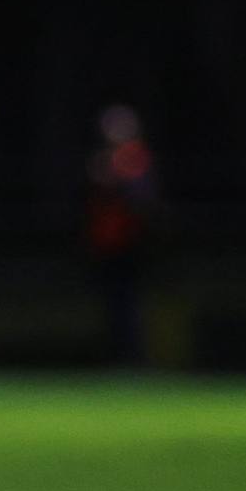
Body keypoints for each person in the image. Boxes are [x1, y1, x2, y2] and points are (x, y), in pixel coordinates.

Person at [83, 104, 159, 366]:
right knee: (112, 305)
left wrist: (114, 179)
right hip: (106, 246)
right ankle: (116, 356)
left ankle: (133, 358)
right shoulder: (106, 159)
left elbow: (143, 202)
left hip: (129, 246)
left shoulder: (134, 158)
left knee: (129, 304)